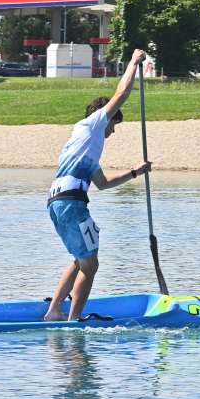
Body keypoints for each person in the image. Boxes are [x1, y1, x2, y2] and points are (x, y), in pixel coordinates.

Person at [44, 49, 152, 321]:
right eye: (113, 125)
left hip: (57, 202)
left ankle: (54, 311)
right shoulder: (92, 125)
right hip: (71, 202)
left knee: (82, 260)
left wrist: (135, 172)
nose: (112, 132)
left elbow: (102, 184)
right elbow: (122, 94)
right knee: (91, 265)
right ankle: (74, 320)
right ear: (104, 117)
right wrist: (133, 62)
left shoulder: (82, 146)